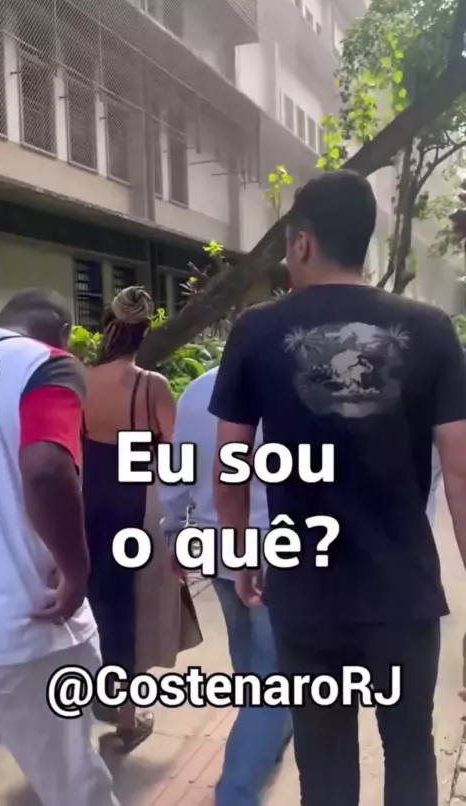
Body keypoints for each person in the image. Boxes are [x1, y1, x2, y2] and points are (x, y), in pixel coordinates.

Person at [208, 170, 466, 806]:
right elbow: (461, 472)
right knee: (410, 754)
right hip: (403, 594)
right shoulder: (432, 328)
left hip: (305, 595)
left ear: (302, 242)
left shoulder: (256, 329)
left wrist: (241, 557)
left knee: (324, 767)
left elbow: (230, 464)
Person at [0, 289, 119, 806]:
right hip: (24, 629)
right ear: (62, 333)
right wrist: (76, 570)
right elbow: (45, 468)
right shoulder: (43, 366)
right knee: (75, 788)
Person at [159, 366, 292, 806]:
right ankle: (237, 791)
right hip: (277, 549)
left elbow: (176, 471)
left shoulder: (199, 390)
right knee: (273, 670)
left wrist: (174, 531)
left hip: (216, 545)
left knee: (248, 654)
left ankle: (265, 739)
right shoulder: (291, 383)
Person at [81, 286, 178, 752]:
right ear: (144, 332)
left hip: (86, 499)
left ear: (108, 327)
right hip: (133, 505)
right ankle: (125, 716)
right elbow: (176, 453)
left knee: (93, 602)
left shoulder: (80, 380)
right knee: (126, 608)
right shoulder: (150, 385)